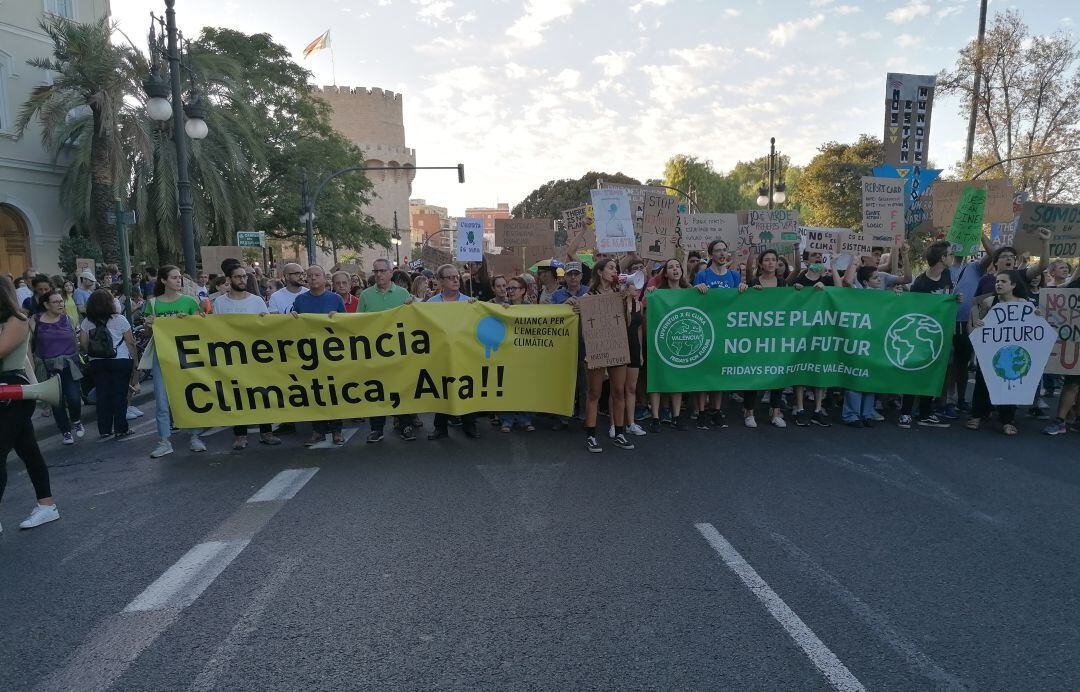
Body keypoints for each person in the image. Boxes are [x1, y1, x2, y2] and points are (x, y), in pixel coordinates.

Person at [0, 275, 60, 531]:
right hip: (11, 395)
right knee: (28, 450)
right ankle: (47, 505)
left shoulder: (18, 320)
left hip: (12, 393)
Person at [211, 265, 281, 449]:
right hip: (232, 356)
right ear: (229, 279)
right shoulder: (220, 303)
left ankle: (266, 432)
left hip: (256, 356)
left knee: (261, 394)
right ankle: (240, 435)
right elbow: (215, 330)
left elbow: (266, 328)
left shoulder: (257, 301)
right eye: (237, 277)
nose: (242, 280)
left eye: (244, 277)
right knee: (238, 396)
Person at [573, 257, 635, 453]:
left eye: (615, 268)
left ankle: (619, 433)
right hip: (596, 349)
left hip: (617, 346)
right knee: (594, 393)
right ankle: (591, 436)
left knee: (618, 391)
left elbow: (628, 321)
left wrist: (629, 301)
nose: (614, 270)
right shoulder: (588, 296)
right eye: (610, 267)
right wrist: (576, 307)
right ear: (600, 272)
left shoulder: (620, 294)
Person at [144, 265, 204, 458]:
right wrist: (149, 324)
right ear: (163, 280)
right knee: (161, 400)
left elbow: (200, 329)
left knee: (190, 396)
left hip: (185, 356)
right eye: (174, 277)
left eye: (179, 277)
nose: (179, 280)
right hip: (162, 357)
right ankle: (164, 441)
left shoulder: (189, 302)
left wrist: (189, 320)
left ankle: (195, 436)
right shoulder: (153, 304)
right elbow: (148, 334)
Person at [898, 241, 957, 429]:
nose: (952, 257)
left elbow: (948, 298)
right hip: (921, 333)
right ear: (942, 258)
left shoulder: (947, 274)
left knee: (934, 372)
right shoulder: (921, 283)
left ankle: (925, 412)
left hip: (940, 333)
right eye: (950, 254)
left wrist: (956, 299)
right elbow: (914, 308)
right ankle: (905, 413)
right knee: (915, 370)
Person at [358, 258, 416, 443]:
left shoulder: (403, 294)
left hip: (398, 352)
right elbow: (357, 323)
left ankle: (405, 424)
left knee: (401, 389)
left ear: (391, 273)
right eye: (375, 271)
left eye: (382, 271)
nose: (379, 274)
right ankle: (377, 429)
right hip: (374, 352)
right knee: (376, 391)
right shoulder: (366, 296)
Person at [692, 239, 747, 430]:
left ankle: (716, 410)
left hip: (726, 331)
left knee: (719, 373)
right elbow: (692, 300)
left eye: (725, 250)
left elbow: (740, 303)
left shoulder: (733, 276)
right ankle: (701, 411)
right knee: (703, 373)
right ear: (710, 255)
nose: (722, 253)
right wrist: (695, 289)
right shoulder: (702, 275)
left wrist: (743, 289)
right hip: (706, 331)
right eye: (718, 250)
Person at [967, 270, 1029, 435]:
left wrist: (1035, 314)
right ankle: (976, 416)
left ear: (1013, 285)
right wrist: (978, 323)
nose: (998, 284)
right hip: (990, 351)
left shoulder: (1023, 303)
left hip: (1012, 352)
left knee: (1009, 382)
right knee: (982, 381)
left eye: (1003, 281)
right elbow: (976, 323)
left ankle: (1007, 420)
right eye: (997, 281)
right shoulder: (989, 301)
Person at [291, 266, 346, 447]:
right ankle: (318, 430)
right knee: (315, 392)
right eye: (309, 276)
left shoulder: (336, 299)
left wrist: (338, 318)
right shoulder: (300, 300)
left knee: (333, 391)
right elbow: (293, 325)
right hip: (310, 354)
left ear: (324, 278)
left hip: (332, 354)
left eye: (317, 275)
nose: (313, 278)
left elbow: (346, 326)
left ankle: (337, 430)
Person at [425, 264, 480, 440]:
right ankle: (440, 427)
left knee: (466, 389)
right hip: (440, 355)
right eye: (450, 277)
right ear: (440, 281)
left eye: (457, 276)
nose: (456, 280)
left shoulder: (468, 302)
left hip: (464, 355)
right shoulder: (431, 304)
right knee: (442, 390)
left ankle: (469, 425)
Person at [788, 251, 842, 427]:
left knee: (819, 369)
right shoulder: (799, 281)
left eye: (820, 256)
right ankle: (801, 409)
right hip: (802, 333)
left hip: (821, 332)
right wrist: (797, 291)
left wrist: (833, 265)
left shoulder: (826, 281)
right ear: (806, 261)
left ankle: (817, 410)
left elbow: (840, 290)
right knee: (801, 369)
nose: (818, 258)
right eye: (814, 256)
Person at [80, 288, 137, 440]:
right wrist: (135, 362)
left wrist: (95, 353)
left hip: (97, 362)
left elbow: (84, 343)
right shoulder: (119, 319)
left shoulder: (86, 322)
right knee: (120, 395)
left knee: (103, 395)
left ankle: (104, 429)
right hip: (120, 360)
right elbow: (130, 342)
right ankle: (121, 428)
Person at [31, 289, 85, 444]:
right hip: (49, 367)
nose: (60, 304)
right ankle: (66, 432)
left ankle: (76, 420)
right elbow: (29, 344)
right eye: (56, 301)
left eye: (61, 301)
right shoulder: (35, 320)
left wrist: (77, 356)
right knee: (57, 401)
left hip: (70, 364)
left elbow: (75, 341)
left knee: (74, 398)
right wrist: (33, 362)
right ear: (47, 305)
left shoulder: (67, 318)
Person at [742, 249, 788, 428]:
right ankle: (749, 411)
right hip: (756, 337)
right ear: (760, 264)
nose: (770, 263)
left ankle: (775, 412)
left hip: (776, 337)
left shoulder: (783, 283)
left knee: (778, 374)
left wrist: (798, 290)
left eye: (773, 260)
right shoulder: (754, 282)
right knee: (753, 373)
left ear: (777, 263)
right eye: (766, 260)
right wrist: (750, 291)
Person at [644, 258, 689, 433]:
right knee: (656, 377)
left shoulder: (688, 291)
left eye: (678, 266)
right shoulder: (658, 292)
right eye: (671, 267)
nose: (675, 270)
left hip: (679, 341)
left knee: (677, 379)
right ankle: (655, 417)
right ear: (665, 273)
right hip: (660, 342)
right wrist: (651, 293)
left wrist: (702, 289)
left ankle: (675, 417)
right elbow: (646, 310)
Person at [497, 276, 536, 433]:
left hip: (526, 354)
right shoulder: (501, 307)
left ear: (523, 290)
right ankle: (506, 420)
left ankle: (525, 419)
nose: (510, 291)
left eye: (513, 288)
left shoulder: (532, 308)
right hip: (507, 354)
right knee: (508, 386)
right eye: (508, 288)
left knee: (525, 387)